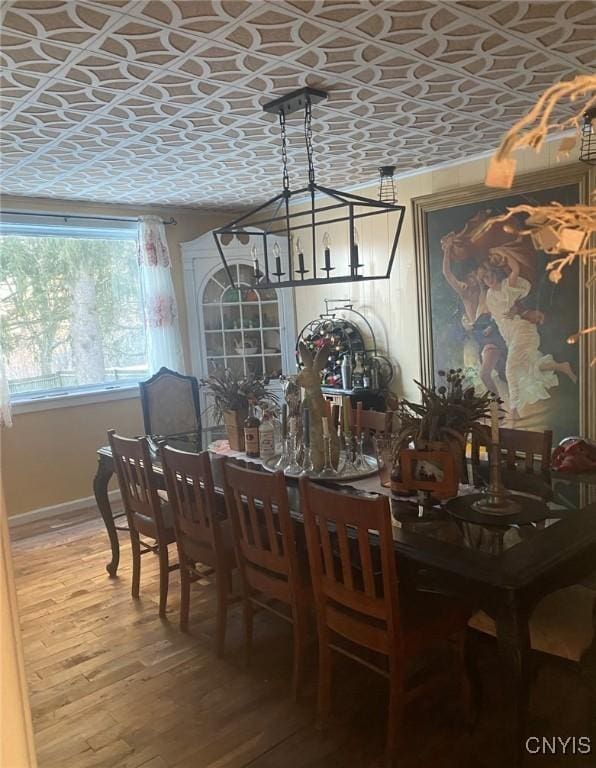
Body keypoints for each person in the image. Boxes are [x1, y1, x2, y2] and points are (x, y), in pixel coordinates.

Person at [479, 249, 577, 420]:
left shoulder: (507, 285)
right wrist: (491, 327)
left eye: (490, 275)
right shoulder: (489, 295)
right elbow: (497, 316)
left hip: (522, 330)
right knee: (528, 366)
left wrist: (503, 253)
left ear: (495, 273)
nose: (489, 279)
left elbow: (515, 268)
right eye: (485, 278)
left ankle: (514, 409)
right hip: (510, 335)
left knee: (511, 369)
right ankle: (561, 366)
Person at [441, 234, 507, 397]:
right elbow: (447, 273)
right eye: (470, 277)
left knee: (490, 374)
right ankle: (501, 407)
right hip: (478, 339)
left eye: (476, 276)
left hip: (492, 337)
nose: (474, 280)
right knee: (483, 376)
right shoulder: (465, 293)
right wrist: (448, 250)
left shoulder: (487, 293)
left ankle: (500, 406)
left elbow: (499, 314)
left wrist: (492, 325)